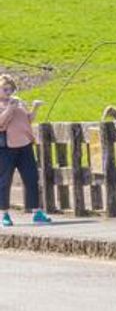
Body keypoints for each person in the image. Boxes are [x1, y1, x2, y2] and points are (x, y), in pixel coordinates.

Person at [0, 74, 51, 226]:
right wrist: (9, 108)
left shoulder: (19, 102)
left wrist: (35, 107)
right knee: (4, 181)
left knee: (32, 178)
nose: (9, 92)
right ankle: (5, 215)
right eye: (5, 89)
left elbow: (28, 119)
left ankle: (36, 212)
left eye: (11, 89)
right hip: (6, 147)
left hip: (25, 145)